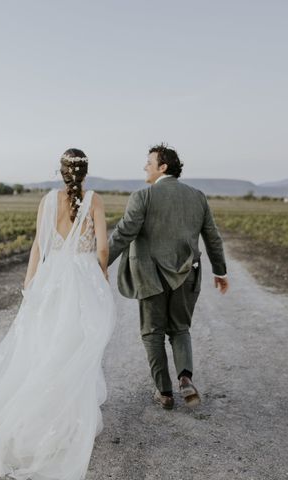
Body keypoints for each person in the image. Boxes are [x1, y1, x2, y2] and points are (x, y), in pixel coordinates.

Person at [0, 148, 116, 479]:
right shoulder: (95, 200)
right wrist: (102, 278)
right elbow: (101, 247)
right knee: (73, 347)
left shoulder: (46, 201)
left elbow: (39, 247)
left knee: (43, 347)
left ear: (61, 171)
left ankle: (40, 415)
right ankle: (62, 418)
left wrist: (31, 282)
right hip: (82, 279)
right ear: (85, 172)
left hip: (52, 279)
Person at [108, 143, 229, 410]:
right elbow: (212, 237)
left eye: (149, 163)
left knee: (152, 332)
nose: (145, 167)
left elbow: (123, 234)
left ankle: (164, 392)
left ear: (163, 167)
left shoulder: (143, 196)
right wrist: (220, 271)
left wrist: (98, 264)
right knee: (180, 329)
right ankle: (185, 378)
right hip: (187, 274)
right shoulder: (198, 196)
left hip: (150, 276)